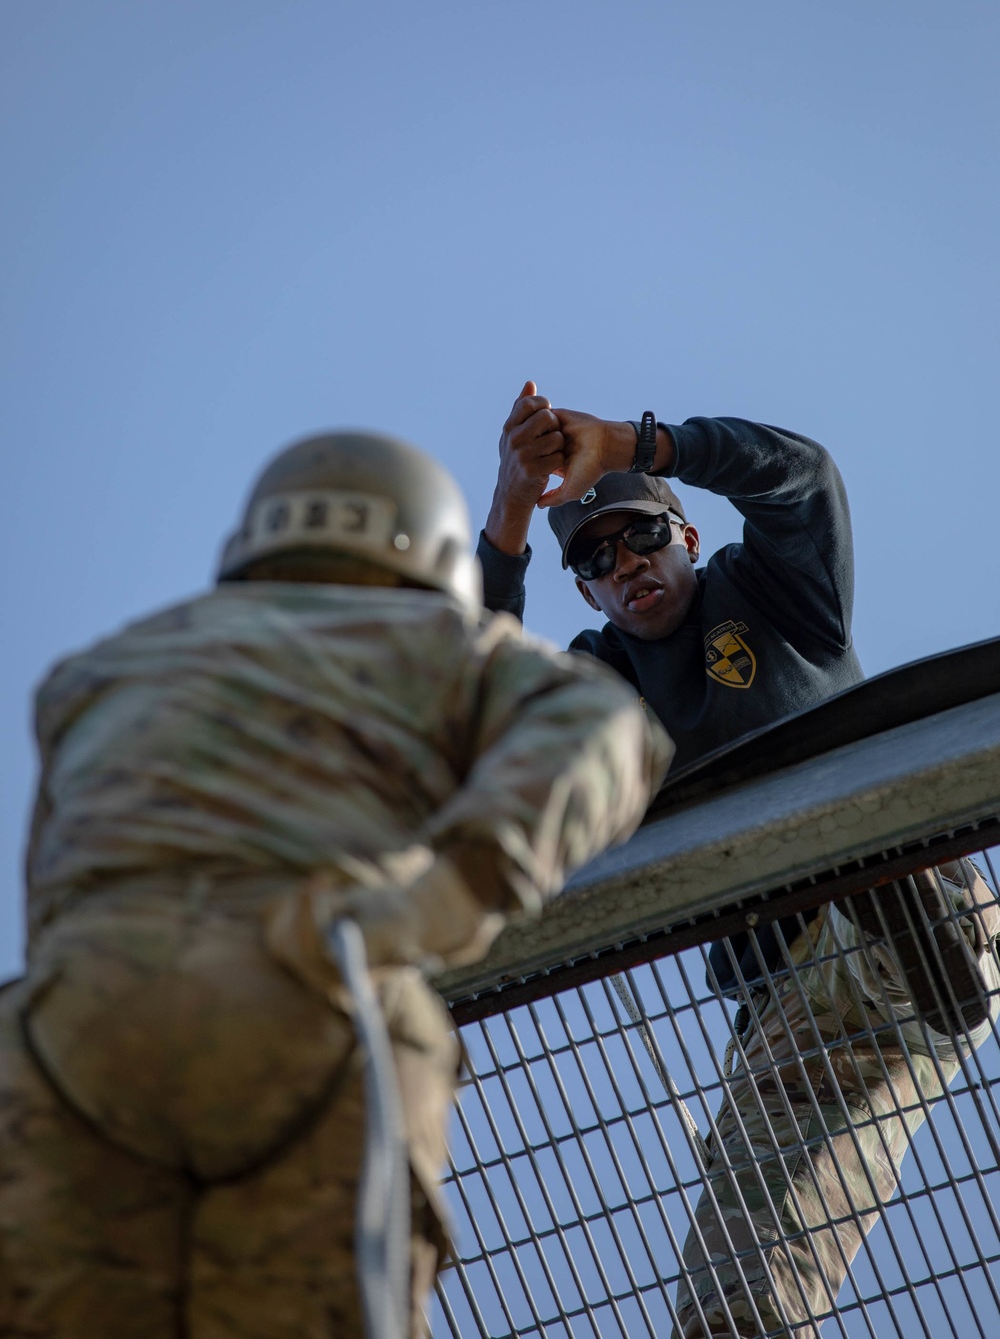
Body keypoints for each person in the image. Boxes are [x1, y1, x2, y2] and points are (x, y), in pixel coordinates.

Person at [0, 429, 672, 1339]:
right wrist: (447, 896)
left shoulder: (97, 673)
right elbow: (606, 728)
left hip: (67, 1026)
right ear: (424, 548)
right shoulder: (438, 640)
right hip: (310, 1001)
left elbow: (50, 885)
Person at [478, 382, 1000, 1337]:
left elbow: (801, 480)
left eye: (639, 536)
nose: (624, 563)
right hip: (785, 1009)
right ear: (586, 590)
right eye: (596, 559)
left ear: (683, 535)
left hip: (896, 910)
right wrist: (512, 514)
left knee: (872, 905)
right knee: (745, 1246)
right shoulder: (600, 685)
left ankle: (901, 915)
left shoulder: (766, 592)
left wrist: (643, 442)